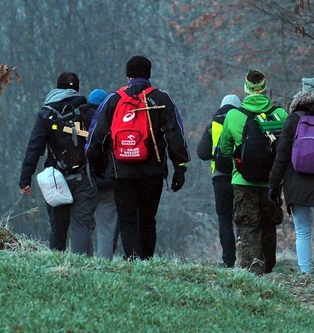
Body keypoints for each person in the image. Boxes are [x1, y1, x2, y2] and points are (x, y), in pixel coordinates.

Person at [85, 55, 190, 260]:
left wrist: (97, 165)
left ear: (128, 75)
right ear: (149, 74)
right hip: (152, 171)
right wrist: (180, 166)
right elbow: (176, 135)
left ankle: (132, 258)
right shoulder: (161, 100)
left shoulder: (113, 99)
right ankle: (147, 260)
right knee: (148, 219)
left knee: (127, 219)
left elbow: (96, 135)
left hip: (121, 170)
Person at [216, 69, 287, 275]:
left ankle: (254, 265)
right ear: (265, 88)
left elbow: (225, 149)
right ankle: (269, 265)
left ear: (246, 89)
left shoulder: (233, 115)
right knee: (269, 224)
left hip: (243, 180)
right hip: (272, 181)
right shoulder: (280, 114)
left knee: (248, 224)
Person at [268, 77, 314, 275]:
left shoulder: (293, 119)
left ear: (302, 95)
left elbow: (282, 155)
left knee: (302, 231)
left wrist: (274, 184)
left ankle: (305, 273)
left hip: (296, 182)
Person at [19, 72, 97, 255]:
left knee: (58, 227)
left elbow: (34, 148)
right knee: (82, 225)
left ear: (57, 87)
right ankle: (82, 267)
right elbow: (101, 143)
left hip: (55, 179)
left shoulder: (46, 115)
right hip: (83, 177)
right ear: (76, 88)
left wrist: (25, 178)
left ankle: (56, 265)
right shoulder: (88, 112)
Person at [197, 93, 241, 268]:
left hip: (220, 177)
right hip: (241, 176)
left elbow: (202, 153)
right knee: (243, 217)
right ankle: (245, 250)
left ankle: (228, 260)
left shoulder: (213, 124)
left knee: (224, 218)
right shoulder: (243, 120)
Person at [87, 88, 120, 260]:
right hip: (110, 183)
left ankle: (83, 261)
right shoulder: (115, 122)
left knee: (84, 225)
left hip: (88, 183)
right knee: (107, 228)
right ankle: (103, 264)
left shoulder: (82, 121)